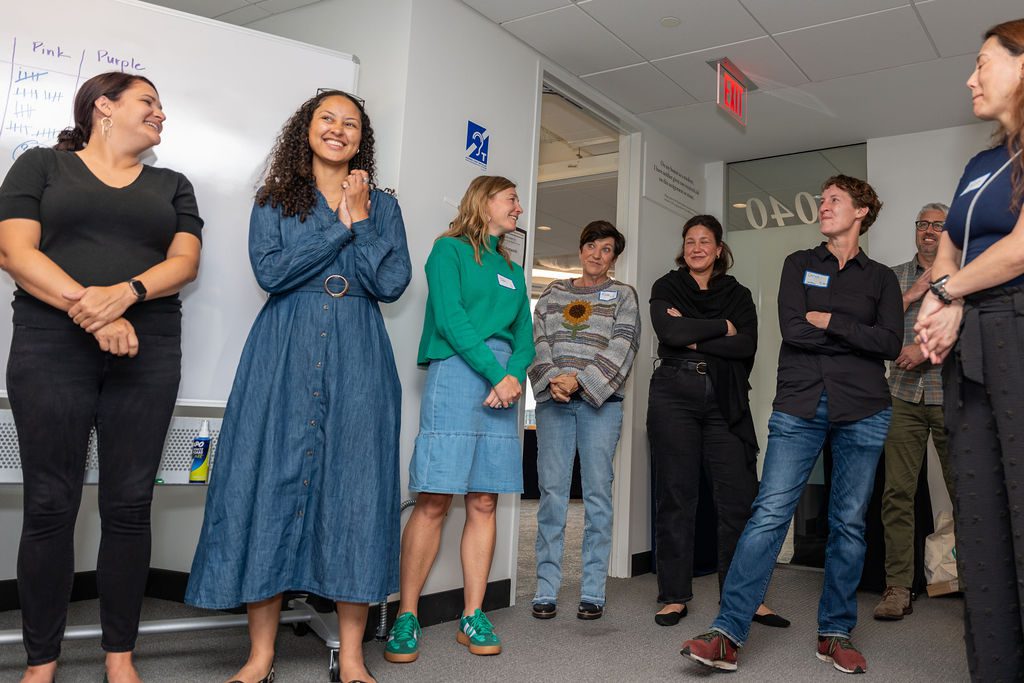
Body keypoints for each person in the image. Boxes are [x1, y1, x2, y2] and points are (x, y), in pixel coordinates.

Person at [185, 89, 410, 683]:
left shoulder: (383, 206)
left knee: (356, 490)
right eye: (327, 119)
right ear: (304, 130)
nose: (339, 129)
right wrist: (339, 226)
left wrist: (361, 222)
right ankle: (260, 657)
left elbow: (388, 283)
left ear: (364, 139)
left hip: (360, 350)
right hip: (283, 348)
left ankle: (355, 658)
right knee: (268, 483)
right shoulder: (273, 199)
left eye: (352, 124)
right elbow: (272, 271)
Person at [0, 72, 202, 683]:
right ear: (104, 108)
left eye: (163, 106)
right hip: (49, 347)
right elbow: (14, 252)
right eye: (149, 102)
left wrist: (127, 293)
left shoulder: (173, 184)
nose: (161, 114)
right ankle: (42, 661)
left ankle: (120, 657)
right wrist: (95, 312)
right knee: (49, 505)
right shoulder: (40, 167)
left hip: (149, 348)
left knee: (129, 505)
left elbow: (185, 262)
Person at [682, 176, 902, 675]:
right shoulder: (799, 264)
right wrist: (851, 334)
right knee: (769, 514)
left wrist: (832, 323)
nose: (822, 207)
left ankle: (835, 633)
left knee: (848, 524)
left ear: (862, 212)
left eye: (834, 201)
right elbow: (793, 329)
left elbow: (890, 343)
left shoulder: (882, 278)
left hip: (865, 408)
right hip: (801, 404)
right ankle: (727, 632)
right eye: (821, 199)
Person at [384, 175, 534, 664]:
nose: (518, 207)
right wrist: (495, 374)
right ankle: (407, 615)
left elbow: (524, 336)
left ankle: (473, 614)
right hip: (458, 373)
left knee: (485, 501)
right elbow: (450, 318)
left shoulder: (511, 267)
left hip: (501, 384)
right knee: (433, 499)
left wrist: (511, 377)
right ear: (484, 201)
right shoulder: (447, 251)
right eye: (511, 198)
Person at [915, 19, 1024, 681]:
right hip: (973, 343)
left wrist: (947, 290)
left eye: (983, 63)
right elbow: (951, 246)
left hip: (1017, 325)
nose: (970, 78)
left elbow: (1018, 247)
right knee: (979, 520)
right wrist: (943, 299)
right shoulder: (980, 163)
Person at [647, 215, 786, 630]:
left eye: (704, 241)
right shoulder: (667, 286)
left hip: (725, 399)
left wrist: (692, 333)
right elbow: (667, 332)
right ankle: (673, 596)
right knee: (676, 495)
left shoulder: (738, 293)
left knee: (738, 501)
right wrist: (719, 328)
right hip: (674, 393)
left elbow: (747, 344)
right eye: (689, 240)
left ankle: (746, 596)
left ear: (720, 248)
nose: (696, 247)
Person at [528, 220, 641, 621]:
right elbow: (536, 339)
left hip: (601, 404)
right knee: (552, 494)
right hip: (553, 401)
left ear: (614, 257)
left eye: (607, 249)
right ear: (580, 249)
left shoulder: (624, 296)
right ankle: (545, 588)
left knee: (597, 495)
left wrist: (580, 381)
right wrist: (553, 380)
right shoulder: (552, 293)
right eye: (591, 245)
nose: (597, 254)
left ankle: (592, 590)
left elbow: (624, 346)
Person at [874, 202, 953, 621]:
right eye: (922, 224)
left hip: (952, 397)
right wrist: (913, 293)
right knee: (897, 494)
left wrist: (926, 349)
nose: (928, 231)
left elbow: (973, 329)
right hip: (902, 397)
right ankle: (898, 588)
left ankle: (983, 584)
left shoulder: (966, 272)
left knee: (969, 495)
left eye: (937, 225)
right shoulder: (893, 277)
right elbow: (877, 328)